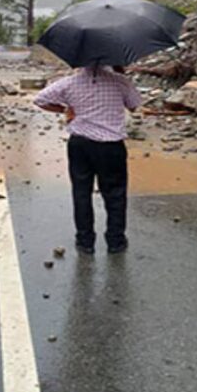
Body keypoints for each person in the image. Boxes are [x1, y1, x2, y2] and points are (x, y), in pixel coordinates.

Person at [34, 65, 142, 254]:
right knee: (115, 193)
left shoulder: (69, 82)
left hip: (80, 145)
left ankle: (85, 241)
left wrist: (65, 109)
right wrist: (121, 73)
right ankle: (115, 241)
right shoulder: (120, 81)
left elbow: (40, 99)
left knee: (81, 192)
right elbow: (133, 106)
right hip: (111, 146)